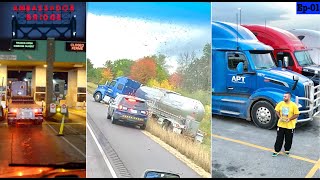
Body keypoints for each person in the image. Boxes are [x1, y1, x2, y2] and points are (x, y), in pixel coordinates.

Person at [272, 92, 300, 157]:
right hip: (281, 125)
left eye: (285, 97)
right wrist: (280, 117)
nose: (284, 98)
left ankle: (287, 150)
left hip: (290, 126)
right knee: (279, 138)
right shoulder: (280, 103)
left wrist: (289, 119)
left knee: (289, 139)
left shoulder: (293, 105)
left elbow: (296, 114)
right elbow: (276, 110)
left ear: (289, 97)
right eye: (283, 96)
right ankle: (276, 151)